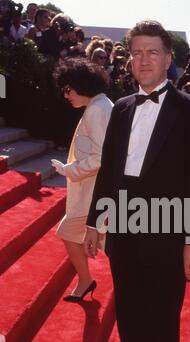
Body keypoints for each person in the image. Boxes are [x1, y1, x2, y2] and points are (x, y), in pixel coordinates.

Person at [84, 20, 190, 342]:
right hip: (122, 227)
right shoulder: (121, 108)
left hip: (167, 227)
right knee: (130, 309)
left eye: (152, 52)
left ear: (168, 58)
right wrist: (94, 221)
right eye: (137, 52)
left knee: (162, 318)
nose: (143, 60)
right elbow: (109, 173)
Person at [52, 58, 113, 301]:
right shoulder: (99, 104)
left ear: (82, 84)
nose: (65, 95)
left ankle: (87, 281)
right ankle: (86, 281)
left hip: (94, 192)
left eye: (68, 89)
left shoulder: (97, 109)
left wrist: (71, 170)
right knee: (108, 242)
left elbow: (101, 156)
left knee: (67, 232)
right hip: (95, 192)